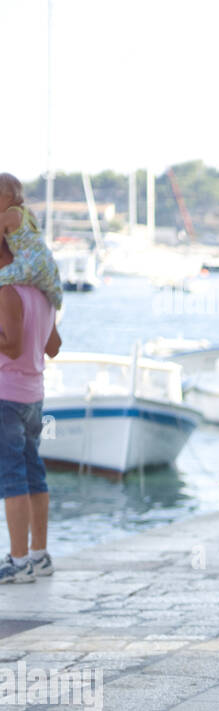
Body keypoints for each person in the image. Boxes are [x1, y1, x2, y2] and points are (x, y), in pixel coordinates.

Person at [0, 234, 61, 583]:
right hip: (33, 395)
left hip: (6, 395)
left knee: (11, 479)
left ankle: (18, 560)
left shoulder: (8, 292)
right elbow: (53, 346)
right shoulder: (43, 294)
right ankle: (40, 555)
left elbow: (11, 345)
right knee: (33, 472)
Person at [0, 173, 62, 313]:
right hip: (47, 264)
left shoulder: (5, 217)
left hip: (28, 264)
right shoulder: (28, 213)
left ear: (7, 197)